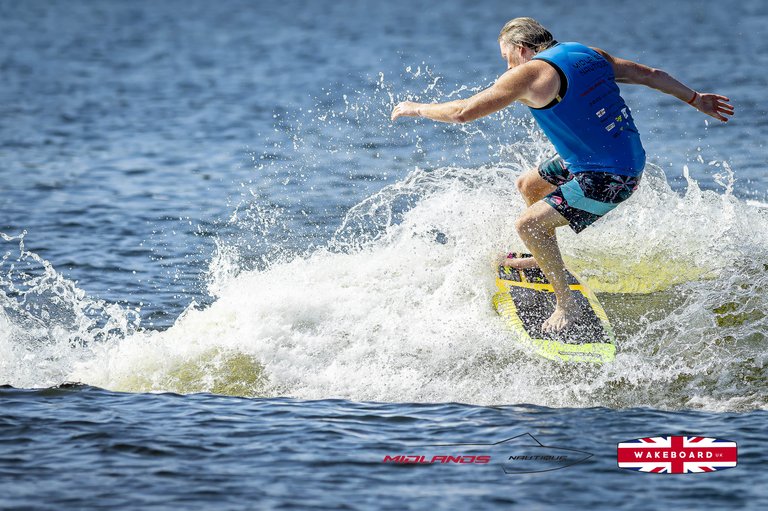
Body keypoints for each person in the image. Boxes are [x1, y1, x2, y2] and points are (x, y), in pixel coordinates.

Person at [390, 17, 734, 332]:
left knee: (528, 225)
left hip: (610, 176)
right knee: (529, 185)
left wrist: (417, 109)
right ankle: (542, 259)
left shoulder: (529, 74)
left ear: (521, 49)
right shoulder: (587, 53)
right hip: (612, 157)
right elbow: (650, 74)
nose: (507, 66)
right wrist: (695, 98)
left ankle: (566, 304)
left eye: (507, 57)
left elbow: (463, 112)